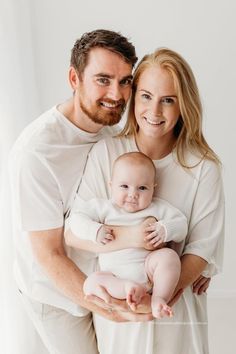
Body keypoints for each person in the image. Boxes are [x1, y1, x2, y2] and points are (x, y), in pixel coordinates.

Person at [65, 47, 225, 354]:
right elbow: (74, 234)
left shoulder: (202, 167)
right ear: (134, 97)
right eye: (146, 96)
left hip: (174, 308)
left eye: (168, 100)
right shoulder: (107, 154)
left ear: (184, 106)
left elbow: (202, 249)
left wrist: (157, 294)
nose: (155, 111)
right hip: (120, 306)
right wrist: (132, 249)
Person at [8, 29, 141, 354]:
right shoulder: (38, 151)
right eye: (103, 79)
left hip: (99, 274)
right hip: (54, 293)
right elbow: (48, 254)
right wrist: (106, 305)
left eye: (125, 81)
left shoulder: (110, 134)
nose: (117, 93)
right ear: (74, 78)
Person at [68, 151, 188, 318]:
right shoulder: (104, 208)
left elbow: (182, 225)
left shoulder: (158, 208)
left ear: (153, 188)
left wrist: (165, 229)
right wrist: (94, 230)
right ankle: (127, 288)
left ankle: (158, 299)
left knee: (169, 257)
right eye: (124, 186)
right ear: (111, 186)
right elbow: (75, 221)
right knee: (90, 284)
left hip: (149, 269)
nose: (133, 194)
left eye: (142, 188)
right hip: (114, 276)